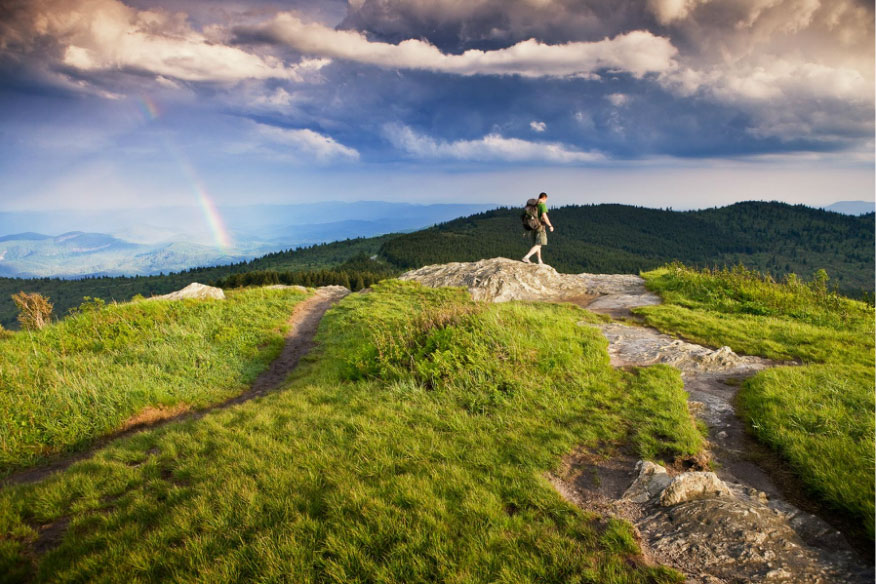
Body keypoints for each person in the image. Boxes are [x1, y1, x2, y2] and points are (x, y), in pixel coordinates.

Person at [522, 192, 553, 264]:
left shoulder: (533, 205)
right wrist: (550, 225)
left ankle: (539, 260)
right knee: (539, 243)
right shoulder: (542, 205)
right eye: (546, 200)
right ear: (545, 198)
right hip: (540, 226)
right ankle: (526, 257)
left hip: (532, 226)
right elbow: (544, 216)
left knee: (537, 244)